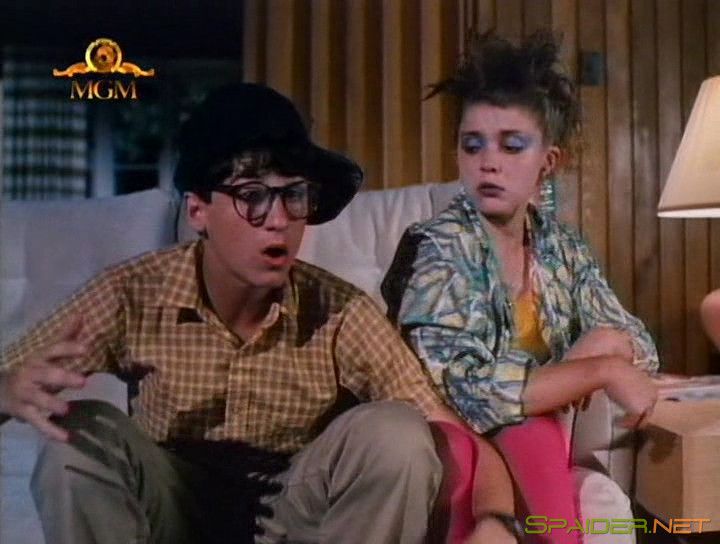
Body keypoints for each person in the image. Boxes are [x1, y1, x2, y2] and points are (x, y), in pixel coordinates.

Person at [0, 83, 518, 544]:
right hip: (171, 504)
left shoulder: (338, 312)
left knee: (396, 432)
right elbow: (10, 376)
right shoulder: (132, 292)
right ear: (198, 210)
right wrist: (7, 389)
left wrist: (496, 520)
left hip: (293, 510)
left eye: (293, 196)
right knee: (75, 437)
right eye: (252, 197)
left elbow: (446, 428)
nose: (278, 220)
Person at [383, 31, 660, 544]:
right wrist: (593, 369)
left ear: (547, 163)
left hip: (533, 431)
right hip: (444, 430)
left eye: (512, 146)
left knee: (539, 423)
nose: (488, 161)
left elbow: (636, 341)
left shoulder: (562, 248)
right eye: (472, 145)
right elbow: (466, 389)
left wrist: (601, 348)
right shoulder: (438, 245)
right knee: (523, 433)